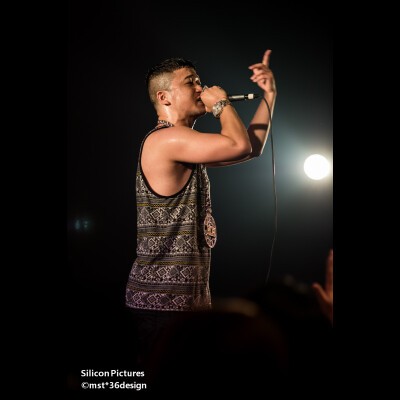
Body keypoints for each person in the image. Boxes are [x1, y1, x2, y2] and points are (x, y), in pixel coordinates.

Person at [125, 49, 276, 365]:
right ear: (164, 97)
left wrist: (269, 95)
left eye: (199, 81)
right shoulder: (165, 140)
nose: (200, 88)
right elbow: (238, 144)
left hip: (184, 303)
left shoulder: (183, 144)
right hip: (162, 304)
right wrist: (220, 104)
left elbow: (250, 148)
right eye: (190, 82)